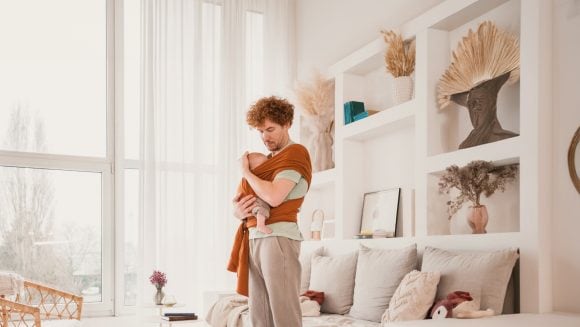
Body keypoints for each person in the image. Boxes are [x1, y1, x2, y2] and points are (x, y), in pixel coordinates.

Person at [227, 96, 312, 327]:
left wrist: (245, 171)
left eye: (271, 129)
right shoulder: (268, 161)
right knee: (259, 315)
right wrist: (239, 211)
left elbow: (274, 196)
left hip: (278, 237)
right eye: (260, 131)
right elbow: (250, 197)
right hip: (254, 237)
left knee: (284, 313)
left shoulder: (295, 153)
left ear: (287, 124)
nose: (265, 137)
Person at [246, 152, 272, 235]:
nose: (266, 168)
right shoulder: (252, 178)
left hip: (254, 201)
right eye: (263, 166)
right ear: (252, 170)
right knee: (262, 207)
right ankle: (260, 225)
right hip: (255, 201)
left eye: (267, 165)